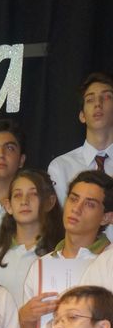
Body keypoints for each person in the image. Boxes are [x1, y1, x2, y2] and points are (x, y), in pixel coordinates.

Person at [20, 170, 113, 328]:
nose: (76, 209)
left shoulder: (108, 261)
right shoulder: (41, 265)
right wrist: (26, 317)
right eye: (73, 199)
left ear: (106, 217)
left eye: (89, 204)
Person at [48, 73, 113, 236]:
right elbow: (60, 225)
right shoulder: (60, 167)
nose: (98, 104)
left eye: (106, 97)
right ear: (82, 115)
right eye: (90, 99)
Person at [0, 170, 62, 307]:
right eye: (17, 195)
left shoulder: (61, 254)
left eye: (34, 194)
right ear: (8, 206)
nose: (24, 201)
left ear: (50, 202)